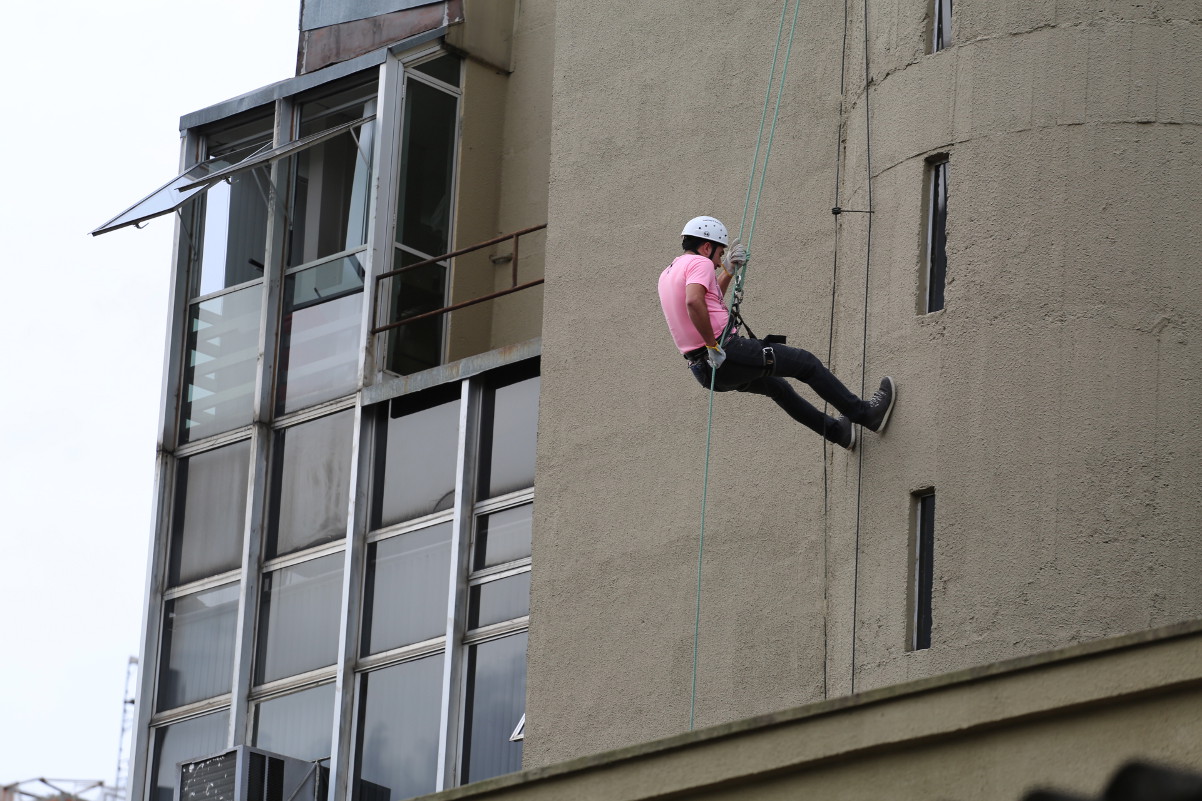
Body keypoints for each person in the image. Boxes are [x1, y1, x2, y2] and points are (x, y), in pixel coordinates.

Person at [657, 215, 896, 451]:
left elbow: (708, 298)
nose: (719, 262)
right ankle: (866, 414)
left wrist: (728, 272)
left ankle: (839, 433)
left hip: (704, 370)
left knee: (778, 388)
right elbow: (694, 302)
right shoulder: (700, 263)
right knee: (806, 363)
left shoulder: (668, 273)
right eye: (720, 254)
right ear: (706, 246)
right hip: (725, 353)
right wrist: (712, 345)